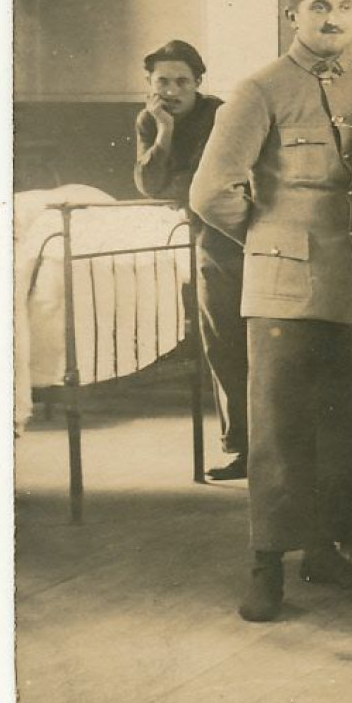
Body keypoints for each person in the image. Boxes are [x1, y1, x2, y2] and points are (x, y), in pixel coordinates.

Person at [191, 0, 352, 622]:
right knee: (280, 431)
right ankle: (267, 562)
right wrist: (268, 241)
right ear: (293, 15)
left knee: (351, 424)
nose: (332, 17)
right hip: (285, 288)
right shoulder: (259, 90)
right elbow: (209, 193)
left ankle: (331, 546)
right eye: (318, 6)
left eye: (343, 5)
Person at [133, 39, 249, 482]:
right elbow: (151, 185)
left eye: (182, 81)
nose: (172, 91)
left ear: (199, 83)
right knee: (222, 345)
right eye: (162, 81)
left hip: (242, 232)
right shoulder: (149, 120)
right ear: (149, 84)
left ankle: (278, 449)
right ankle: (241, 447)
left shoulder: (220, 114)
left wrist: (182, 184)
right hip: (208, 240)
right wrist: (162, 134)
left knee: (260, 346)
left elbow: (208, 183)